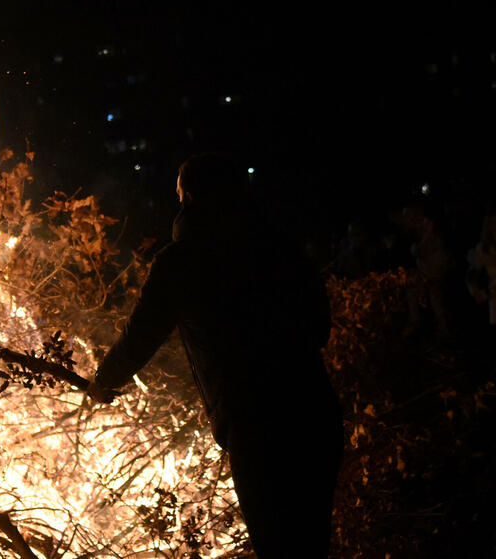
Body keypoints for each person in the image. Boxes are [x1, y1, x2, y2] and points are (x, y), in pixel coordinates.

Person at [87, 154, 343, 558]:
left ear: (188, 196)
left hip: (256, 427)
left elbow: (141, 336)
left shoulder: (182, 260)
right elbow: (320, 329)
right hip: (315, 414)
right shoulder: (279, 247)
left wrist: (103, 381)